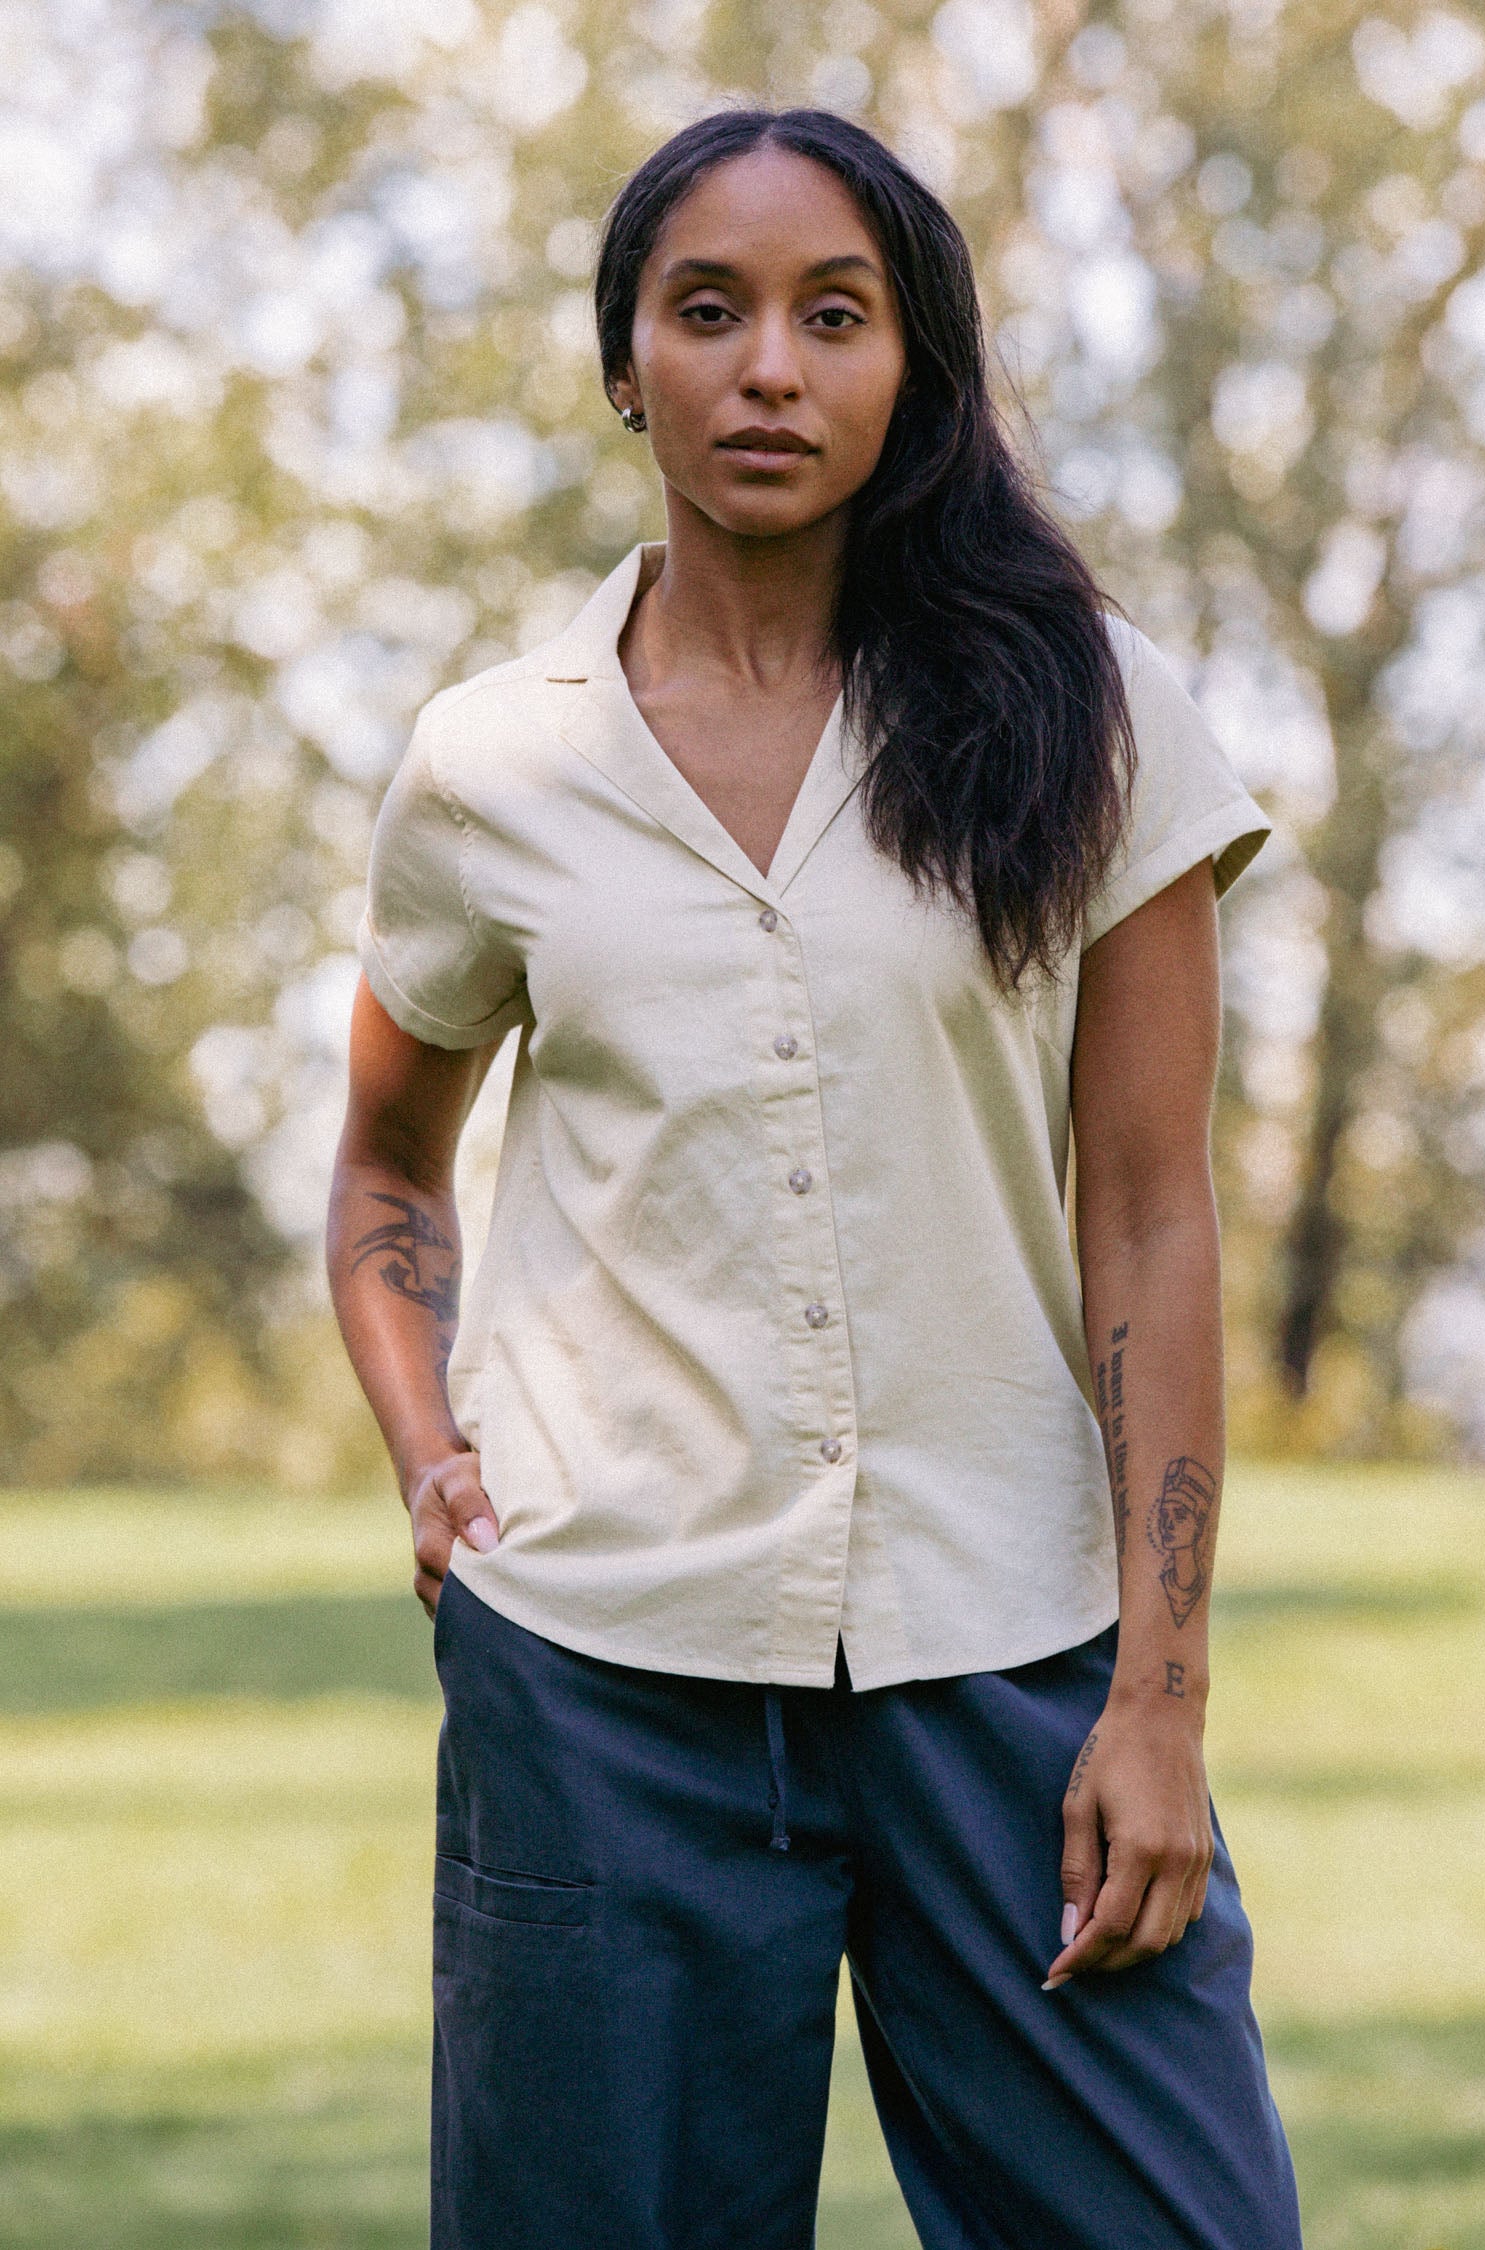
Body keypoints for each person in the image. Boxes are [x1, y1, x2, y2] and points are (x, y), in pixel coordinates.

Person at [327, 105, 1302, 2250]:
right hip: (600, 1683)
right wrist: (427, 1447)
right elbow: (388, 1160)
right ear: (626, 365)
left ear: (910, 369)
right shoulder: (493, 766)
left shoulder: (1096, 720)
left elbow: (1151, 1212)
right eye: (709, 310)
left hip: (1014, 1661)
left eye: (832, 315)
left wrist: (1161, 1696)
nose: (770, 366)